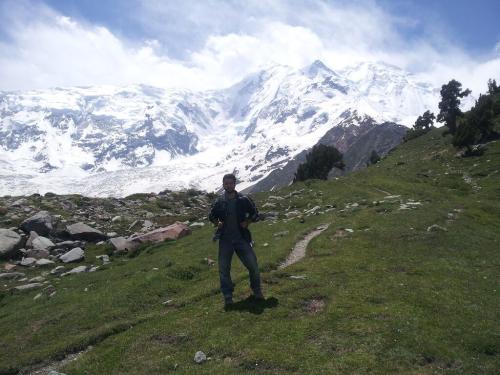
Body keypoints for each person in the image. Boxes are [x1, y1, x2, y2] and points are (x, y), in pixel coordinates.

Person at [208, 173, 264, 309]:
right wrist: (217, 223)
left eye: (231, 183)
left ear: (234, 184)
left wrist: (248, 221)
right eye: (226, 183)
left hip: (241, 239)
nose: (228, 185)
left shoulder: (244, 200)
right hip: (225, 241)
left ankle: (257, 291)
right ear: (223, 185)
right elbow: (211, 216)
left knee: (253, 267)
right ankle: (228, 297)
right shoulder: (219, 202)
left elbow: (255, 214)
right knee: (223, 269)